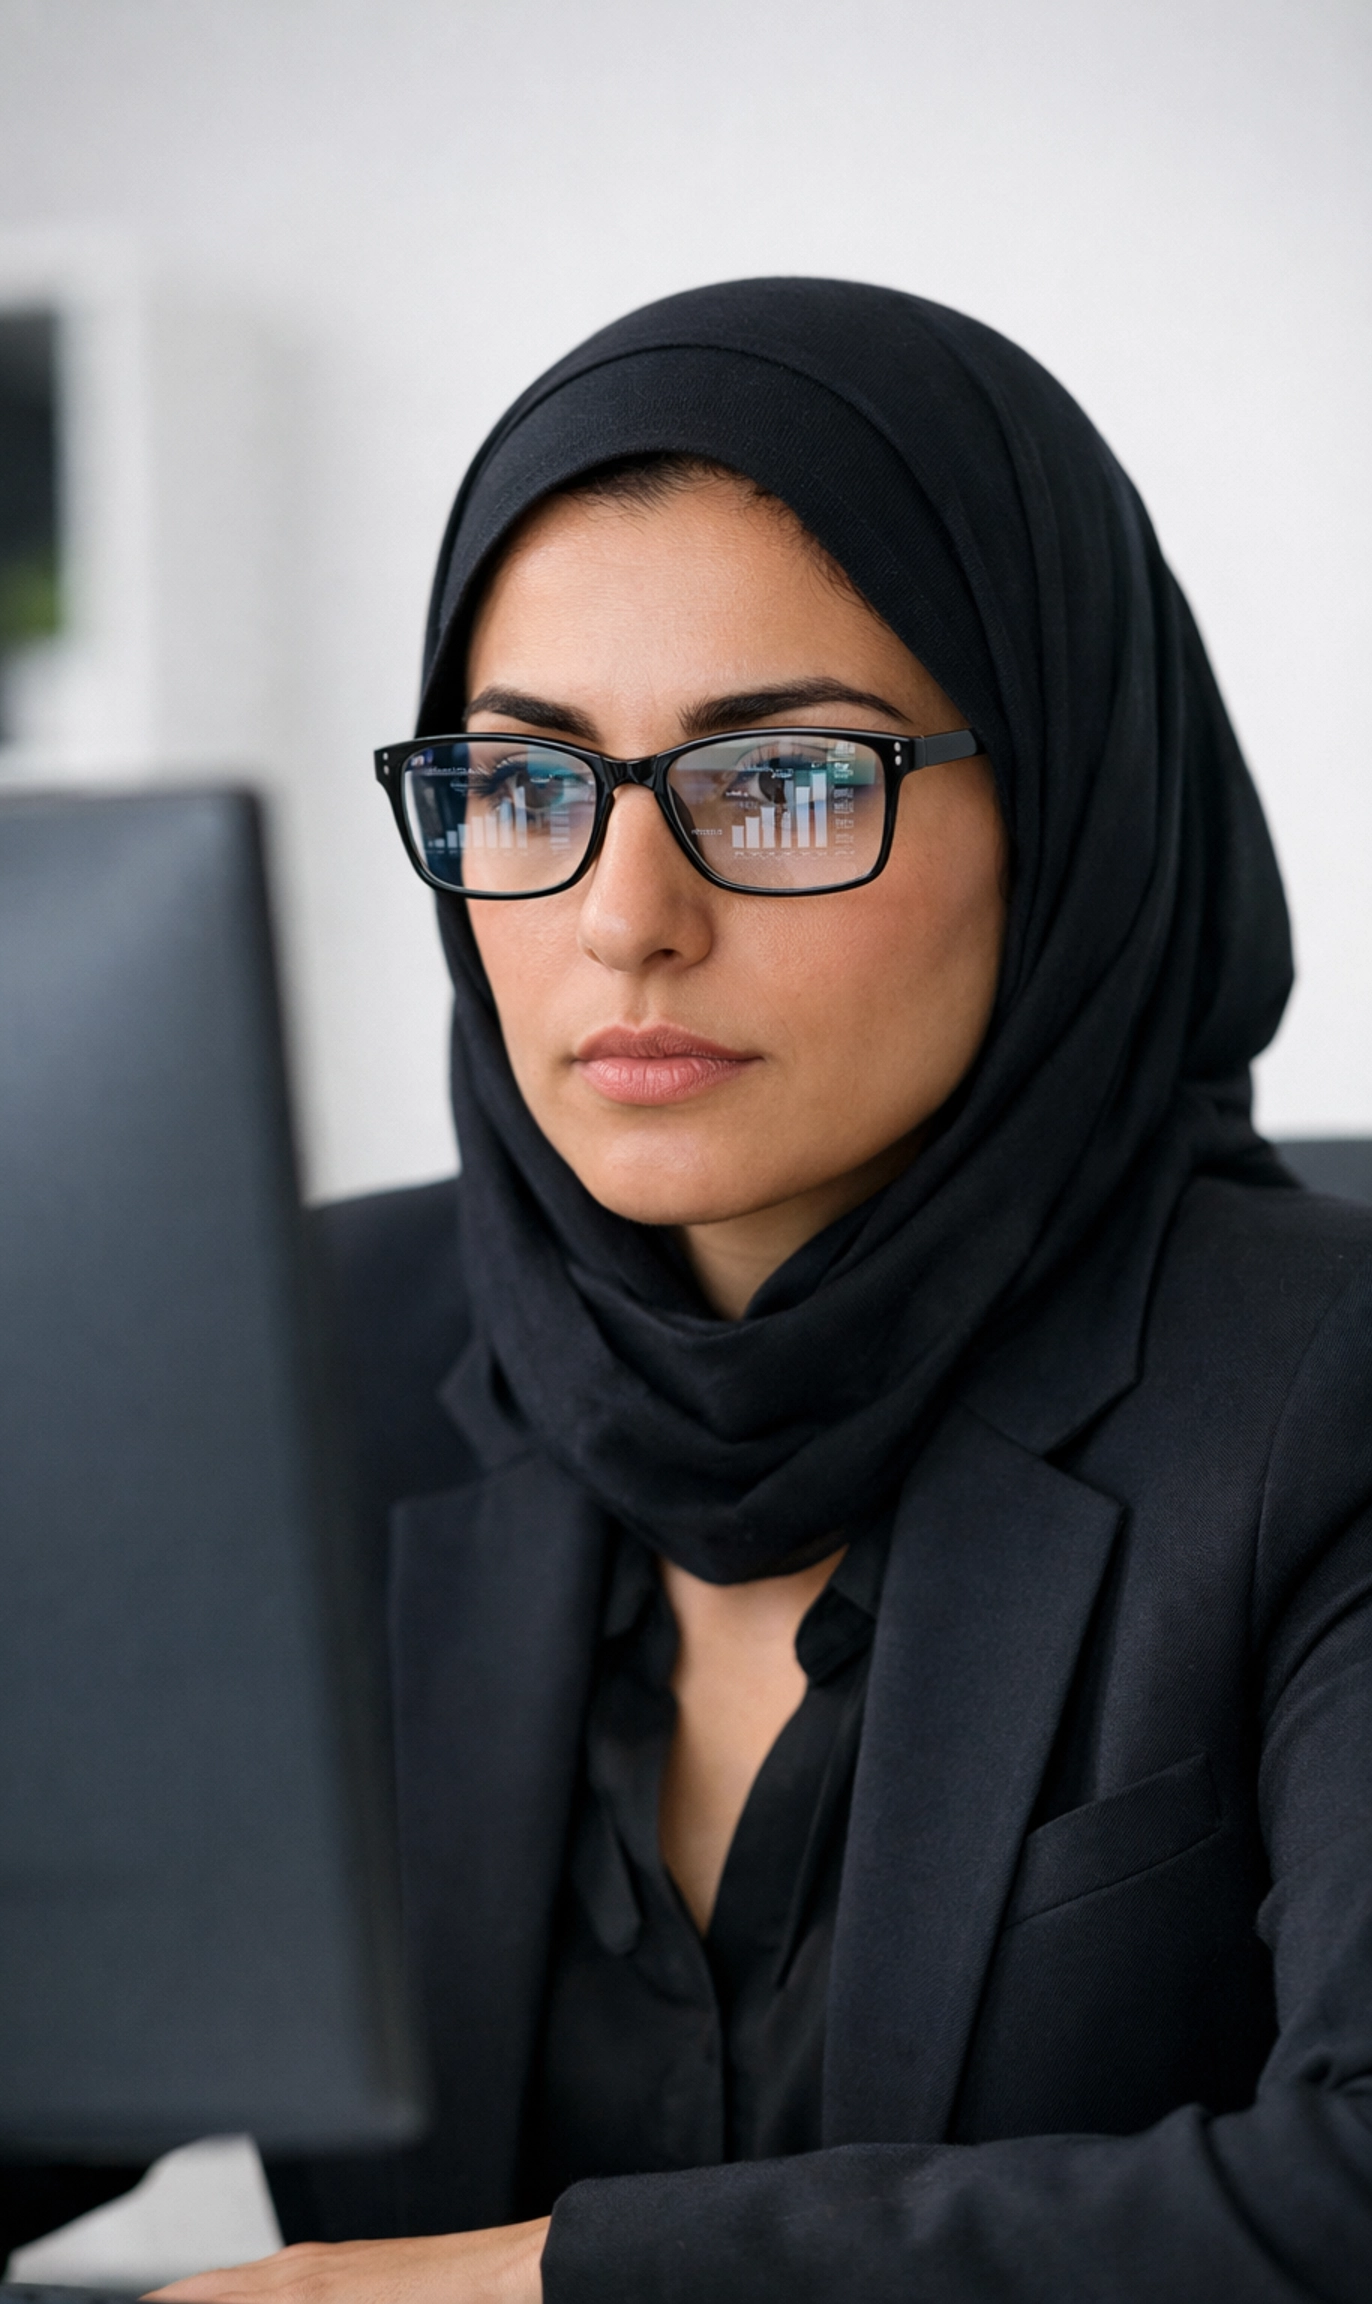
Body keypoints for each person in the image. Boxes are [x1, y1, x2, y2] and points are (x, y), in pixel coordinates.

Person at [159, 279, 1372, 2304]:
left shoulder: (1322, 1392)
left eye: (787, 782)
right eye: (527, 785)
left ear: (1066, 817)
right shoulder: (313, 1361)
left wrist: (534, 2288)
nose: (628, 921)